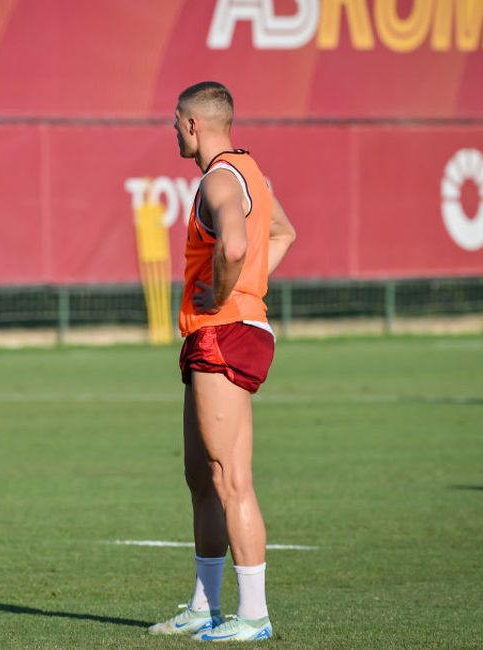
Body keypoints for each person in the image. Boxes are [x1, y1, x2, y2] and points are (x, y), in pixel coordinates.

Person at [149, 81, 295, 642]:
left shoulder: (217, 178)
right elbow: (283, 233)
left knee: (232, 478)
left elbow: (233, 246)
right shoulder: (249, 170)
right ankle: (205, 605)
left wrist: (224, 289)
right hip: (221, 330)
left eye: (175, 123)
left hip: (222, 334)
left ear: (193, 125)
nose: (174, 133)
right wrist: (246, 286)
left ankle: (253, 614)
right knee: (202, 476)